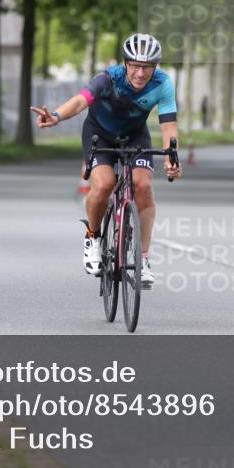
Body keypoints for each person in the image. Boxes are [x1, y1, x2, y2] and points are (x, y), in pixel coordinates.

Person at [31, 33, 182, 289]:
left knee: (143, 186)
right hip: (99, 133)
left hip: (135, 135)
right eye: (134, 65)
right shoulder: (107, 79)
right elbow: (80, 102)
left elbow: (169, 129)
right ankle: (93, 236)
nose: (140, 72)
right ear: (125, 64)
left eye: (147, 67)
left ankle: (143, 258)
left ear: (155, 67)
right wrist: (56, 116)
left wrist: (171, 158)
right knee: (103, 185)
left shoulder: (163, 84)